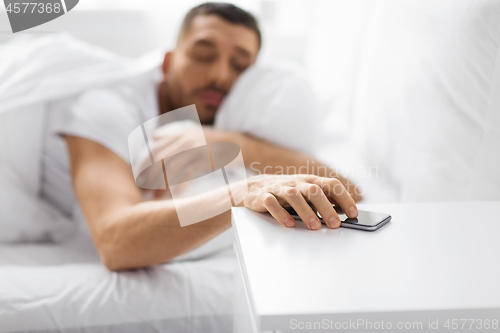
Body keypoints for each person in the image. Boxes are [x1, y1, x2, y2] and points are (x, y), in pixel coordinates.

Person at [59, 3, 361, 270]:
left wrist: (234, 145)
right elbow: (116, 243)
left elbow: (348, 193)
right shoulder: (108, 108)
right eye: (204, 55)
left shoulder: (233, 120)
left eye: (239, 65)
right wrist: (243, 192)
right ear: (167, 63)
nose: (220, 75)